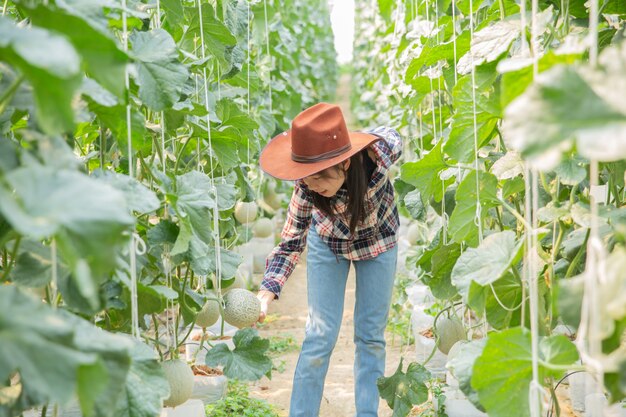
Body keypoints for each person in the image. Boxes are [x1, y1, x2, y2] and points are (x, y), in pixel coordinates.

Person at [256, 102, 402, 417]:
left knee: (370, 335)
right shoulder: (306, 186)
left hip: (379, 244)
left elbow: (391, 136)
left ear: (345, 164)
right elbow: (291, 241)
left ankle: (367, 413)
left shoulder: (376, 160)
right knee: (319, 335)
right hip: (329, 245)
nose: (313, 187)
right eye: (306, 180)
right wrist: (266, 292)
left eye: (319, 179)